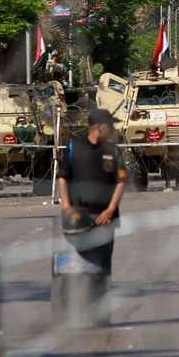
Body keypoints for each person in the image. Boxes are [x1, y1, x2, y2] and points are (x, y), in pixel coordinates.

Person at [57, 108, 128, 271]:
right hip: (78, 217)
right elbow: (62, 178)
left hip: (105, 217)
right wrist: (67, 208)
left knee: (102, 266)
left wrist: (111, 209)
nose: (113, 129)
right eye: (110, 125)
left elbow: (121, 181)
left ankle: (101, 286)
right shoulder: (73, 146)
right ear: (99, 126)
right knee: (76, 265)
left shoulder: (114, 150)